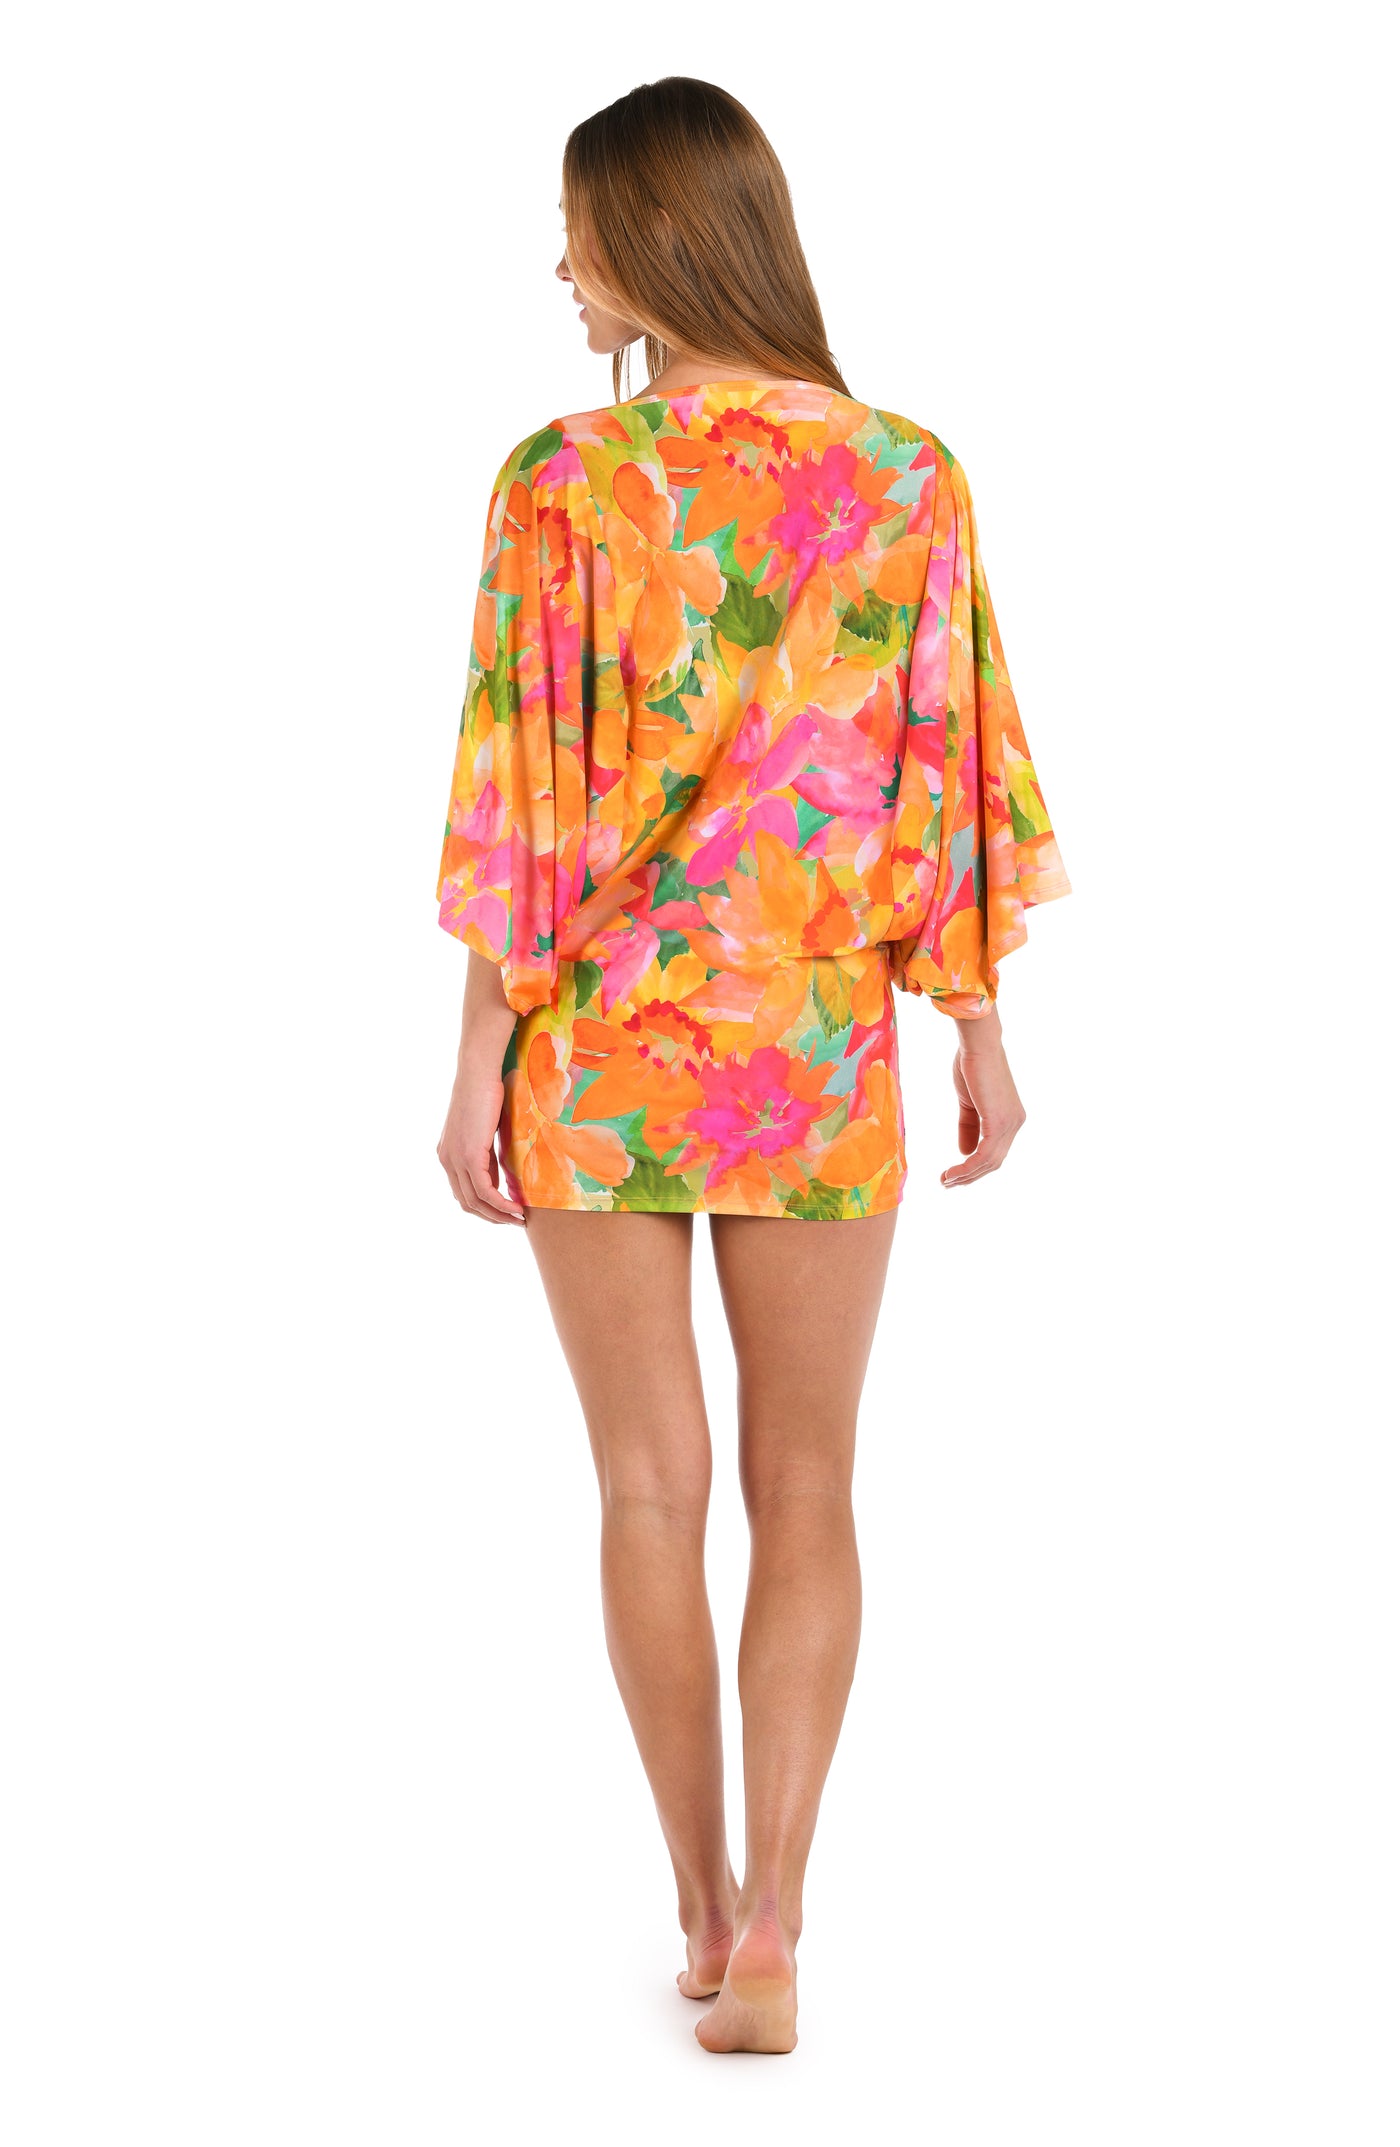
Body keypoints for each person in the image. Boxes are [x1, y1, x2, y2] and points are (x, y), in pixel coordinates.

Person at [434, 77, 1071, 2055]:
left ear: (652, 237)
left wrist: (474, 1065)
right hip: (809, 1038)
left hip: (602, 1047)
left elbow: (519, 800)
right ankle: (783, 1911)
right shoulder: (904, 475)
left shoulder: (561, 481)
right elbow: (950, 771)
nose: (559, 269)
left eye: (576, 234)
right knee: (808, 1482)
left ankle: (703, 1915)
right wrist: (976, 1023)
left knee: (649, 1486)